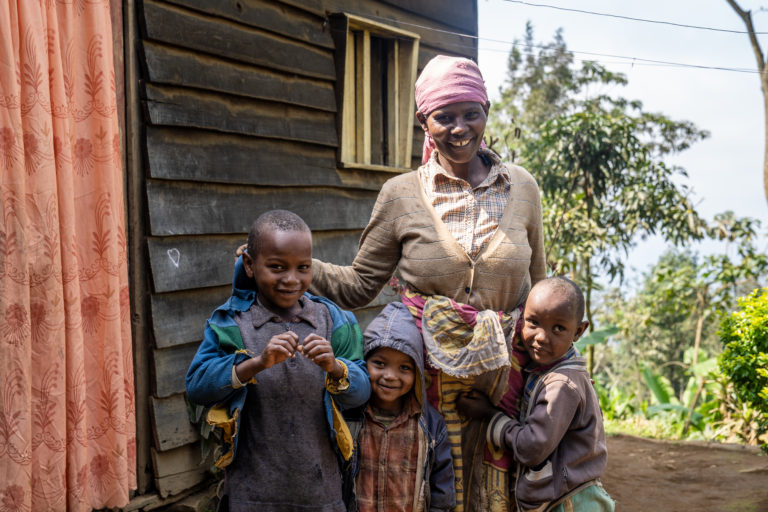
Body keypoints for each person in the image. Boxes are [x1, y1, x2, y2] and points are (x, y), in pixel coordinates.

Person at [307, 55, 547, 511]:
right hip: (428, 382)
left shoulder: (523, 187)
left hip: (503, 379)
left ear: (487, 111)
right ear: (424, 122)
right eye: (444, 116)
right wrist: (296, 265)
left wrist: (561, 357)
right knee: (439, 491)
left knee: (501, 491)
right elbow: (360, 284)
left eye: (470, 113)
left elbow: (540, 286)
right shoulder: (400, 194)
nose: (460, 128)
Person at [186, 210, 371, 512]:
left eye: (303, 268)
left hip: (322, 494)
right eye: (276, 267)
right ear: (249, 264)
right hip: (252, 495)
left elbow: (361, 393)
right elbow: (197, 387)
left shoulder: (334, 321)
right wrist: (256, 363)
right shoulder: (232, 323)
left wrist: (335, 368)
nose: (291, 279)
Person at [457, 277, 615, 512]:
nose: (541, 337)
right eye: (533, 322)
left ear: (579, 331)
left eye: (558, 328)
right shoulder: (551, 372)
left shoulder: (562, 384)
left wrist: (489, 415)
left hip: (569, 504)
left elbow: (532, 448)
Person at [343, 301, 456, 512]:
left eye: (404, 367)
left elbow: (442, 493)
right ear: (364, 362)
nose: (390, 376)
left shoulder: (430, 425)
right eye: (379, 363)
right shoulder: (349, 415)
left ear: (418, 374)